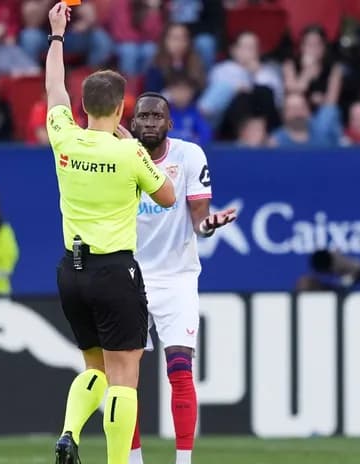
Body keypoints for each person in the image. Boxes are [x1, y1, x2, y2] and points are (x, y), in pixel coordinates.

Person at [43, 3, 176, 464]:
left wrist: (57, 35)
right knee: (124, 376)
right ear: (121, 108)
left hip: (71, 271)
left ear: (83, 107)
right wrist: (128, 144)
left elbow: (53, 89)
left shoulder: (64, 137)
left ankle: (67, 433)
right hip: (115, 269)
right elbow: (168, 196)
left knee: (92, 367)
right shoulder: (129, 154)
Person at [127, 92, 237, 464]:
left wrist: (210, 226)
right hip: (129, 277)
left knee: (179, 369)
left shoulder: (189, 156)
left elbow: (198, 220)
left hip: (177, 277)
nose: (151, 122)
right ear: (132, 122)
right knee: (126, 379)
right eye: (143, 116)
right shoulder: (119, 156)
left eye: (158, 116)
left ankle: (184, 460)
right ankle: (133, 459)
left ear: (170, 124)